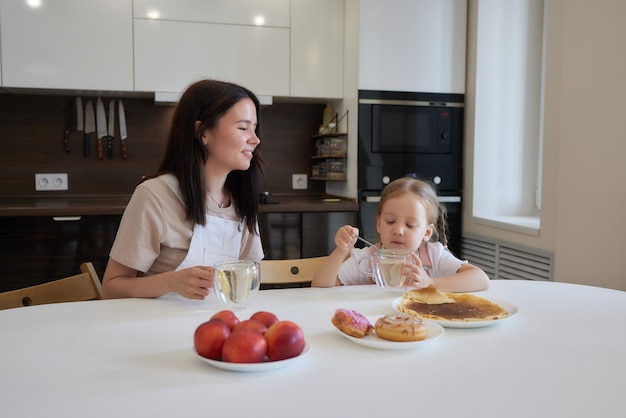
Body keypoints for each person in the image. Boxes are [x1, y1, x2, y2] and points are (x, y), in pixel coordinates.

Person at [102, 79, 265, 300]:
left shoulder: (242, 200)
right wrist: (170, 281)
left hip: (222, 326)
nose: (255, 140)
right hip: (158, 328)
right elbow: (111, 289)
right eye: (243, 128)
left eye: (254, 128)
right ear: (202, 132)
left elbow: (250, 282)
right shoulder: (154, 195)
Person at [312, 177, 489, 291]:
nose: (398, 230)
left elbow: (481, 279)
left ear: (427, 232)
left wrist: (431, 283)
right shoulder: (367, 258)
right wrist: (341, 250)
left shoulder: (433, 255)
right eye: (390, 221)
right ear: (379, 224)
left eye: (410, 224)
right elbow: (319, 285)